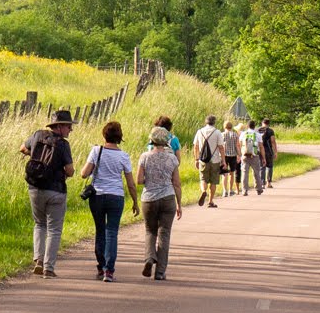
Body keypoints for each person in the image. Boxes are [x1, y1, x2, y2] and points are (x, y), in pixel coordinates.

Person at [78, 119, 139, 282]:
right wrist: (135, 202)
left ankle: (101, 265)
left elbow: (84, 173)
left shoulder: (96, 151)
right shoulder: (124, 156)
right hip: (116, 197)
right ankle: (109, 271)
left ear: (104, 135)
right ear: (120, 137)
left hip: (97, 196)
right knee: (112, 232)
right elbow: (131, 183)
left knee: (100, 230)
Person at [20, 108, 76, 274]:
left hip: (35, 188)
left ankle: (38, 259)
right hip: (56, 191)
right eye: (68, 126)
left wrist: (35, 155)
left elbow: (22, 148)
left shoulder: (38, 135)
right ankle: (48, 268)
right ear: (59, 126)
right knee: (54, 229)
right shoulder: (64, 145)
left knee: (39, 224)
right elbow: (70, 170)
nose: (70, 129)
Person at [137, 122, 182, 279]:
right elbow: (176, 183)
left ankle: (149, 258)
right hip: (168, 198)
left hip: (149, 198)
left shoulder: (144, 157)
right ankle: (160, 272)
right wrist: (180, 204)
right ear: (166, 141)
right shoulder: (172, 159)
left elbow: (139, 180)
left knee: (150, 230)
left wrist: (150, 178)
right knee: (165, 233)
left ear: (152, 140)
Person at [192, 114, 224, 207]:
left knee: (203, 178)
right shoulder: (217, 132)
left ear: (206, 122)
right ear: (214, 122)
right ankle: (210, 201)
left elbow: (196, 146)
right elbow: (221, 147)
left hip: (203, 160)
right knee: (213, 181)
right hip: (215, 160)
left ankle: (203, 191)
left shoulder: (199, 131)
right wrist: (223, 160)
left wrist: (196, 159)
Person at [239, 120, 264, 195]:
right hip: (255, 155)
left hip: (245, 155)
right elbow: (261, 146)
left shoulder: (243, 134)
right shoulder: (258, 134)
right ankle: (259, 189)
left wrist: (242, 153)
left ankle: (244, 190)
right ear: (254, 126)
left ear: (247, 126)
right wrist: (263, 157)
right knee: (256, 172)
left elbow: (240, 144)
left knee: (244, 173)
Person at [220, 119, 242, 196]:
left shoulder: (222, 134)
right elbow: (237, 145)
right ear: (231, 127)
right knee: (232, 173)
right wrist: (239, 155)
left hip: (224, 156)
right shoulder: (235, 135)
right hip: (233, 155)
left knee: (224, 174)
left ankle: (224, 191)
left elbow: (221, 146)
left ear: (224, 126)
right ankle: (230, 190)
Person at [258, 119, 279, 191]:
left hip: (260, 151)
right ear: (268, 123)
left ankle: (262, 183)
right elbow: (273, 141)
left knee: (262, 166)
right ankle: (269, 183)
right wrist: (275, 152)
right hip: (268, 151)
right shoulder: (270, 131)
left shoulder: (258, 130)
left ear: (262, 123)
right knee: (270, 166)